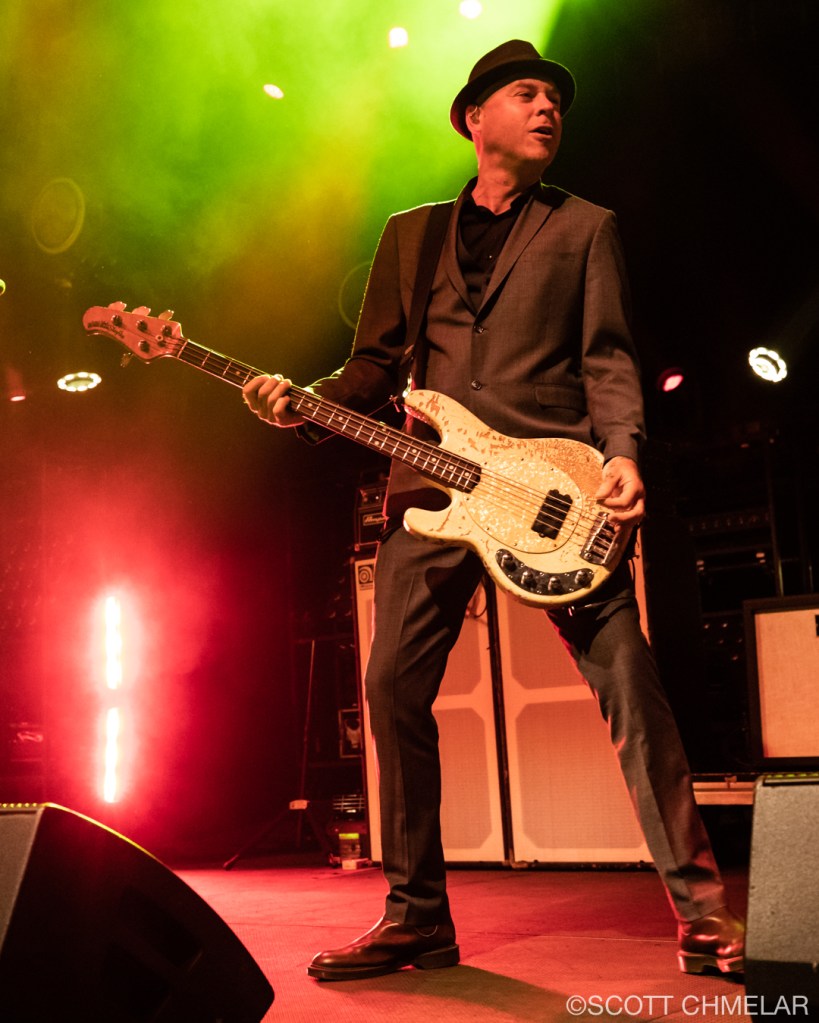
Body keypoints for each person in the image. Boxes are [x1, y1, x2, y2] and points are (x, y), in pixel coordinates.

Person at [242, 39, 744, 981]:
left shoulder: (585, 227)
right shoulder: (411, 236)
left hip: (553, 491)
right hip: (432, 494)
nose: (548, 108)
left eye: (555, 98)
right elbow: (372, 367)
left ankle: (703, 912)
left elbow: (607, 357)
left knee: (630, 687)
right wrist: (302, 403)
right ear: (475, 118)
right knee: (391, 689)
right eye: (526, 93)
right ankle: (415, 918)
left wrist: (622, 453)